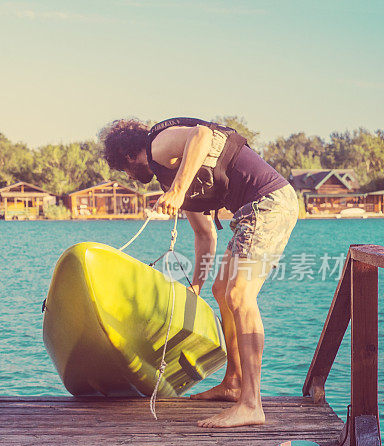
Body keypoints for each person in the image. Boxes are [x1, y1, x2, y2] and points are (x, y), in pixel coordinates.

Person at [99, 117, 299, 428]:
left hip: (269, 202)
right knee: (222, 291)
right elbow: (206, 235)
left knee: (239, 295)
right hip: (252, 211)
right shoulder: (177, 175)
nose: (128, 175)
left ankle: (252, 404)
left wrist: (178, 191)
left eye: (123, 170)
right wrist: (196, 287)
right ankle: (233, 383)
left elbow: (202, 134)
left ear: (126, 156)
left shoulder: (157, 145)